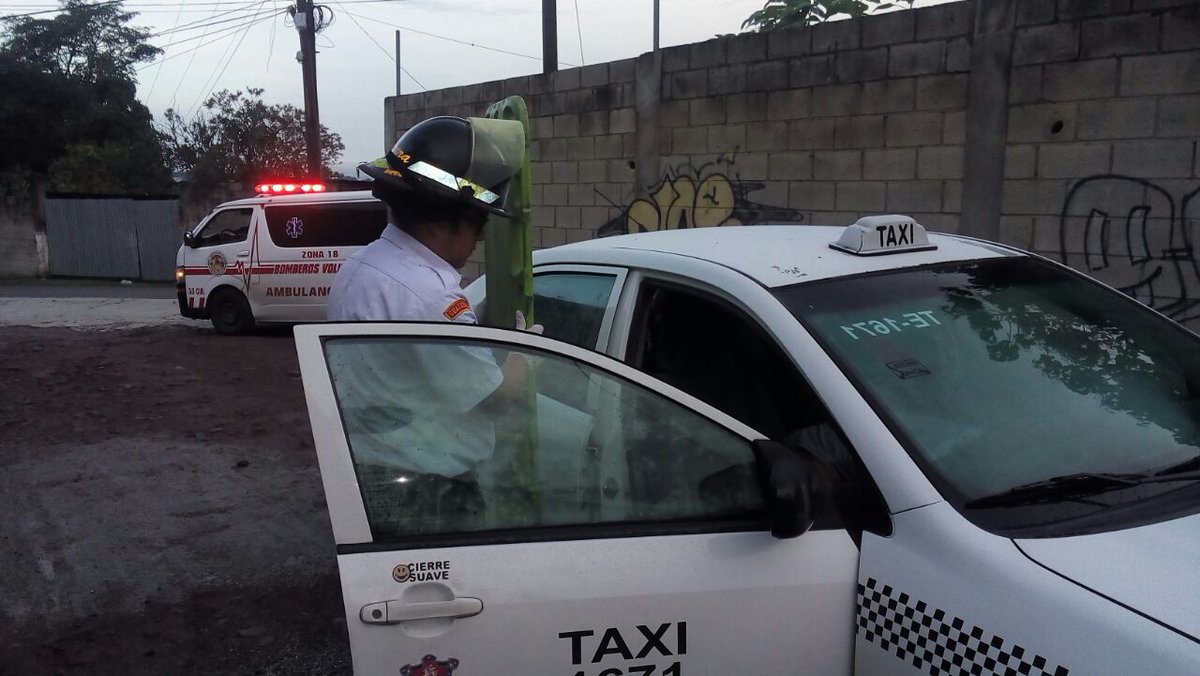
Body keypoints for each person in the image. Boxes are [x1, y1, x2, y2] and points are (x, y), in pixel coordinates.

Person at [325, 115, 538, 536]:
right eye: (476, 224)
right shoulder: (432, 297)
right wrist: (526, 354)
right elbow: (494, 399)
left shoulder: (358, 268)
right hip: (430, 494)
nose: (479, 239)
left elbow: (411, 353)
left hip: (372, 472)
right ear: (441, 222)